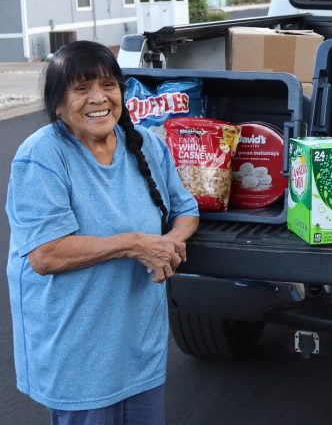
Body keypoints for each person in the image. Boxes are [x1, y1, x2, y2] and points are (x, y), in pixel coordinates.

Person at [5, 40, 199, 424]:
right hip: (78, 357)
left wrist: (170, 245)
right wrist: (135, 244)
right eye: (81, 89)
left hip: (138, 349)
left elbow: (186, 209)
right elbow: (46, 255)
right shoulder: (42, 156)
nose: (99, 98)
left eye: (109, 85)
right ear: (57, 104)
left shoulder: (144, 145)